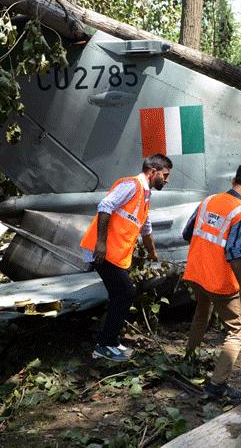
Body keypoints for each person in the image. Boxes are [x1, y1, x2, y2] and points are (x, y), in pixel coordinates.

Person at [80, 154, 172, 362]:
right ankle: (105, 344)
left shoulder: (145, 195)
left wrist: (153, 253)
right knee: (125, 292)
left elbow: (145, 228)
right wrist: (101, 243)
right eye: (165, 175)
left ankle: (110, 341)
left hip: (114, 254)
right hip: (103, 252)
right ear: (152, 171)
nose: (166, 180)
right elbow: (105, 205)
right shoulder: (132, 185)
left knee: (120, 294)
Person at [182, 162, 241, 401]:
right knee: (237, 330)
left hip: (196, 273)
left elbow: (188, 233)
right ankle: (217, 385)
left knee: (201, 313)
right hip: (219, 280)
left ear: (233, 181)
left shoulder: (209, 201)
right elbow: (234, 253)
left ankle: (189, 360)